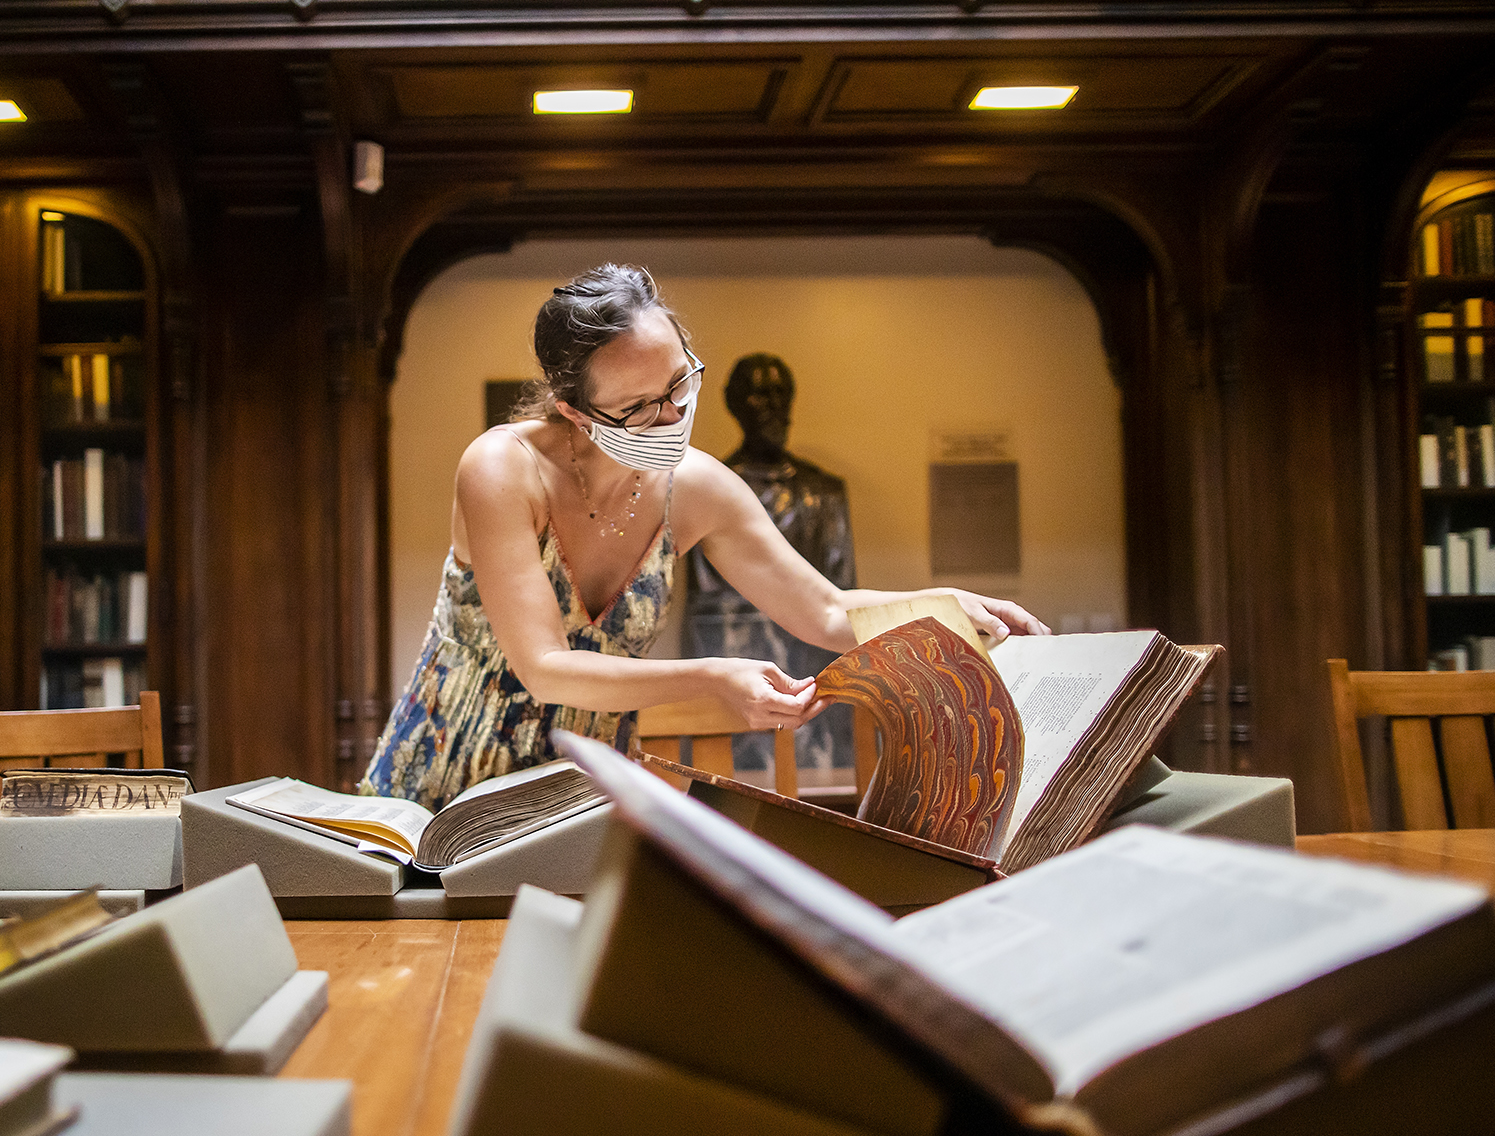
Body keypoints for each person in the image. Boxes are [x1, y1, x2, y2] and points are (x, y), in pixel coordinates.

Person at [361, 263, 1046, 811]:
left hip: (576, 797)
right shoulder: (502, 468)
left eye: (681, 382)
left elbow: (826, 609)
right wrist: (716, 677)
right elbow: (544, 666)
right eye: (638, 407)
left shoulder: (697, 487)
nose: (671, 416)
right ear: (573, 409)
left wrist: (939, 605)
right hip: (444, 788)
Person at [687, 351, 858, 778]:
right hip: (735, 703)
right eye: (762, 395)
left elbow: (840, 604)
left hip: (817, 700)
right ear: (736, 404)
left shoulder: (825, 493)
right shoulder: (707, 493)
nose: (776, 406)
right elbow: (707, 610)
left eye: (783, 394)